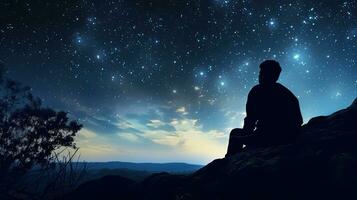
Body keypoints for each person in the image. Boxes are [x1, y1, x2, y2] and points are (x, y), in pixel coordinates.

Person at [226, 60, 303, 157]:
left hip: (269, 136)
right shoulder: (287, 94)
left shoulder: (256, 91)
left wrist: (249, 135)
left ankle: (230, 163)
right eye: (261, 73)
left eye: (263, 73)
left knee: (235, 137)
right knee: (237, 133)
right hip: (283, 136)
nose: (260, 76)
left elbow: (250, 120)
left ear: (274, 76)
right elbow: (299, 120)